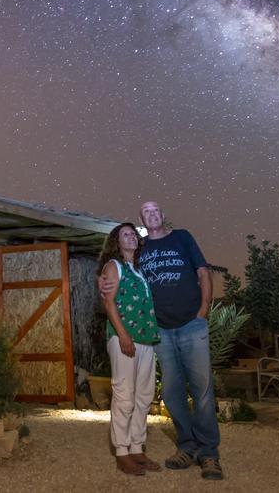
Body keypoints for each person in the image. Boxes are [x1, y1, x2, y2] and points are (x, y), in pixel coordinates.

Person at [101, 200, 224, 480]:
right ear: (142, 220)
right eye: (146, 212)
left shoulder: (181, 237)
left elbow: (203, 272)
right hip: (160, 332)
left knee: (201, 392)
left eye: (156, 210)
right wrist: (103, 282)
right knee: (171, 393)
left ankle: (209, 455)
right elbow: (113, 279)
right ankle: (186, 447)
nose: (152, 215)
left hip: (189, 326)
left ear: (163, 215)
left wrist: (203, 309)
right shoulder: (139, 253)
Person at [98, 222, 162, 476]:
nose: (132, 237)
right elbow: (108, 301)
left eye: (133, 234)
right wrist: (123, 334)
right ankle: (122, 452)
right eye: (126, 234)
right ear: (117, 241)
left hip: (146, 339)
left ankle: (137, 447)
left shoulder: (139, 269)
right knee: (124, 394)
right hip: (125, 338)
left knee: (144, 396)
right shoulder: (114, 267)